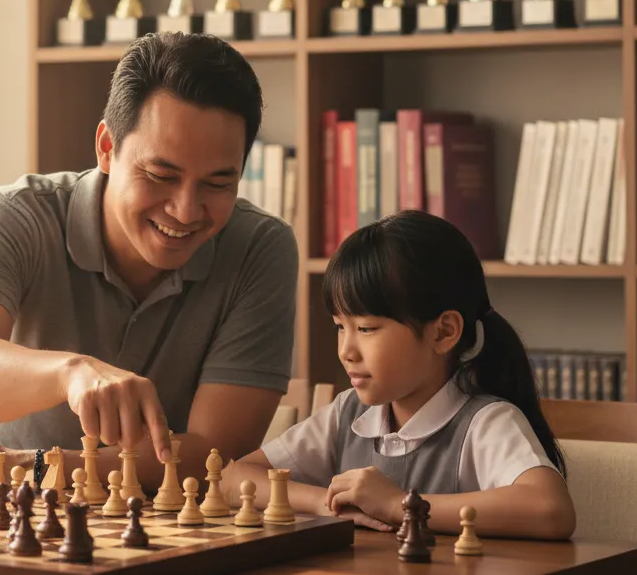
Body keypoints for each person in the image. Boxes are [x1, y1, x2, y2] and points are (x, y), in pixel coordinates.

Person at [0, 32, 298, 497]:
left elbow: (213, 454)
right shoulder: (12, 215)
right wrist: (71, 373)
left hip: (148, 530)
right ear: (105, 146)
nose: (185, 210)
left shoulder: (261, 248)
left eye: (218, 184)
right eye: (161, 176)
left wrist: (27, 468)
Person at [222, 211, 576, 539]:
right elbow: (233, 478)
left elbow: (550, 510)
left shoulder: (484, 423)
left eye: (366, 328)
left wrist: (399, 505)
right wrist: (327, 503)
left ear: (442, 332)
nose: (346, 350)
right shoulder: (348, 414)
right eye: (339, 328)